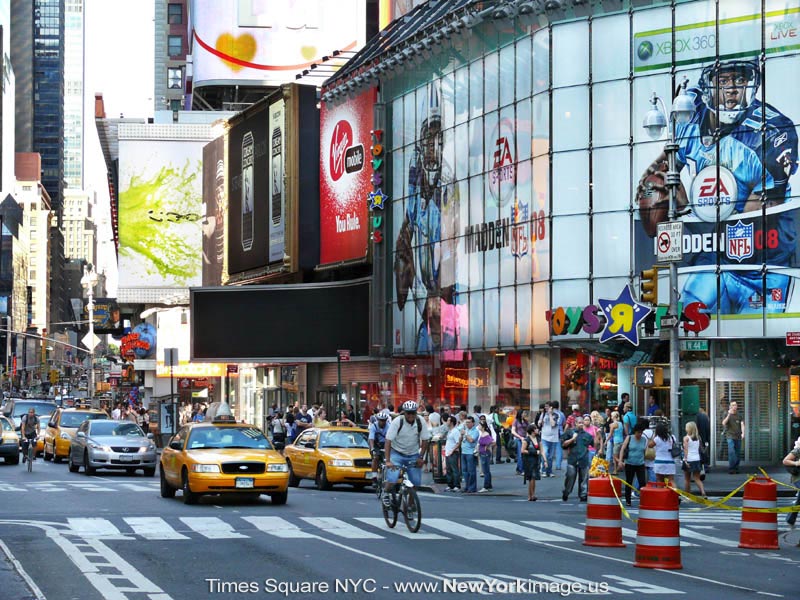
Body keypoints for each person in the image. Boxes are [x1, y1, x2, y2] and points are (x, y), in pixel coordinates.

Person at [636, 58, 798, 315]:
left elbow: (753, 218)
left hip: (761, 267)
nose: (732, 88)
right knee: (686, 321)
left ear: (750, 84)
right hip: (712, 257)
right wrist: (667, 199)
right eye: (723, 81)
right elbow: (658, 174)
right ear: (709, 84)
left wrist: (694, 222)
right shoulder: (688, 113)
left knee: (752, 333)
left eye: (740, 80)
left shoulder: (772, 132)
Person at [393, 80, 461, 354]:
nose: (433, 146)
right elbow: (408, 227)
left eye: (439, 139)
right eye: (428, 139)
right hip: (426, 289)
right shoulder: (414, 176)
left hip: (441, 289)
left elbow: (452, 242)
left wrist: (440, 294)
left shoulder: (448, 182)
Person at [383, 401, 431, 507]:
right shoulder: (397, 422)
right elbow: (388, 441)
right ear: (404, 413)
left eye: (413, 413)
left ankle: (409, 506)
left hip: (413, 454)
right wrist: (388, 461)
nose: (411, 415)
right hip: (397, 453)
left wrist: (421, 457)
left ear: (416, 413)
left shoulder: (420, 421)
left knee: (415, 482)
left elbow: (425, 440)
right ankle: (386, 493)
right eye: (408, 413)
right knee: (393, 478)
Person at [561, 417, 593, 502]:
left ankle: (583, 495)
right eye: (579, 423)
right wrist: (572, 439)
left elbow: (594, 444)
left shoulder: (587, 435)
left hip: (583, 459)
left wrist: (599, 436)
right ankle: (566, 492)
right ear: (575, 423)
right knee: (570, 476)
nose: (581, 424)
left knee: (584, 478)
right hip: (572, 459)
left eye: (582, 423)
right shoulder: (569, 432)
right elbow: (563, 445)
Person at [619, 421, 649, 506]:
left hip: (640, 463)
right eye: (638, 432)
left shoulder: (643, 439)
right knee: (629, 482)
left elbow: (645, 451)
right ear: (635, 431)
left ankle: (644, 500)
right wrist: (620, 461)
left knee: (642, 482)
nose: (639, 434)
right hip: (629, 463)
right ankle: (628, 500)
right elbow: (622, 449)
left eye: (641, 432)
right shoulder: (629, 438)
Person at [682, 421, 707, 498]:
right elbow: (700, 449)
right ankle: (703, 493)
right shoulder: (698, 438)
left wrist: (685, 460)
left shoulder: (686, 438)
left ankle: (687, 494)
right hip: (697, 459)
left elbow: (686, 450)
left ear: (688, 429)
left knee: (687, 479)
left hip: (689, 459)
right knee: (697, 478)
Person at [522, 424, 546, 501]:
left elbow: (542, 451)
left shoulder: (538, 439)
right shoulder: (526, 440)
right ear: (532, 431)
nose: (537, 430)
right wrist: (534, 452)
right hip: (529, 461)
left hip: (536, 461)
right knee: (531, 477)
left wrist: (545, 461)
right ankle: (531, 495)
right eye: (536, 429)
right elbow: (522, 450)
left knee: (534, 478)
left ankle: (531, 495)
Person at [781, 435, 800, 533]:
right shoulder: (797, 450)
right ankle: (790, 519)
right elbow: (785, 461)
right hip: (798, 478)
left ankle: (790, 519)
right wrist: (797, 463)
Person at [722, 400, 744, 474]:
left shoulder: (739, 415)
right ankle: (731, 468)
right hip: (730, 436)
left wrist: (743, 433)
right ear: (730, 406)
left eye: (735, 405)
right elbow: (724, 423)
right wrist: (728, 414)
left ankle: (736, 468)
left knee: (737, 452)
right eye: (733, 405)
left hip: (738, 436)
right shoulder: (726, 414)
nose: (734, 406)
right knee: (731, 451)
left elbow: (742, 424)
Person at [538, 403, 559, 478]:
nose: (546, 408)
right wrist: (540, 420)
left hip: (553, 438)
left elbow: (553, 424)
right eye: (545, 407)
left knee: (550, 456)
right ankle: (543, 470)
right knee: (545, 453)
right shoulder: (543, 414)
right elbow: (539, 424)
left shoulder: (556, 415)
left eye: (547, 407)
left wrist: (550, 415)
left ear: (551, 407)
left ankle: (549, 471)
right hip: (544, 437)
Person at [460, 416, 480, 494]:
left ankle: (472, 487)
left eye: (469, 422)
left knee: (471, 471)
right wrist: (462, 435)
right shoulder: (466, 430)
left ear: (473, 423)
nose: (467, 424)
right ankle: (467, 486)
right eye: (466, 422)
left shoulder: (475, 431)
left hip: (470, 452)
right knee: (465, 471)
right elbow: (461, 440)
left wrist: (465, 434)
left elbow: (471, 440)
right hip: (464, 452)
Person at [443, 416, 462, 492]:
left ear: (451, 422)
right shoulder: (449, 431)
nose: (447, 422)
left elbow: (458, 442)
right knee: (449, 470)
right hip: (448, 452)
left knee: (454, 469)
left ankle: (457, 485)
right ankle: (450, 485)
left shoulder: (455, 431)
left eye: (448, 421)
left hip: (453, 453)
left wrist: (452, 450)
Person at [477, 421, 494, 493]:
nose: (478, 426)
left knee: (485, 470)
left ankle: (486, 486)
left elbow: (492, 441)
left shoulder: (485, 434)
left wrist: (486, 447)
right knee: (486, 470)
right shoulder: (483, 434)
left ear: (483, 427)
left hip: (485, 453)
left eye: (479, 425)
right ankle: (488, 485)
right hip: (483, 453)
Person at [512, 409, 529, 475]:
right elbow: (513, 431)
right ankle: (521, 469)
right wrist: (520, 437)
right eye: (524, 413)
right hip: (519, 439)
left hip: (525, 439)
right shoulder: (516, 421)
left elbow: (528, 430)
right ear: (520, 414)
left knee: (524, 454)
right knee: (520, 454)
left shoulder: (525, 421)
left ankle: (519, 468)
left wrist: (527, 437)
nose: (525, 414)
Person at [695, 407, 711, 475]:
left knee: (698, 453)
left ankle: (699, 468)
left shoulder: (696, 417)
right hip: (704, 437)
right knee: (704, 452)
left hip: (697, 437)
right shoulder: (705, 417)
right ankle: (706, 467)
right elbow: (708, 428)